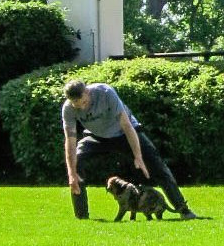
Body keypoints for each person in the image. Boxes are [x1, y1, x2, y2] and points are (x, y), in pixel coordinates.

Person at [62, 78, 198, 220]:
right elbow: (70, 141)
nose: (82, 108)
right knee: (75, 164)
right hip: (97, 136)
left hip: (124, 133)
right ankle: (81, 216)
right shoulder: (68, 108)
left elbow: (127, 125)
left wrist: (138, 156)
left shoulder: (105, 92)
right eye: (77, 106)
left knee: (156, 164)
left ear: (87, 92)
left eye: (84, 102)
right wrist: (71, 174)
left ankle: (183, 210)